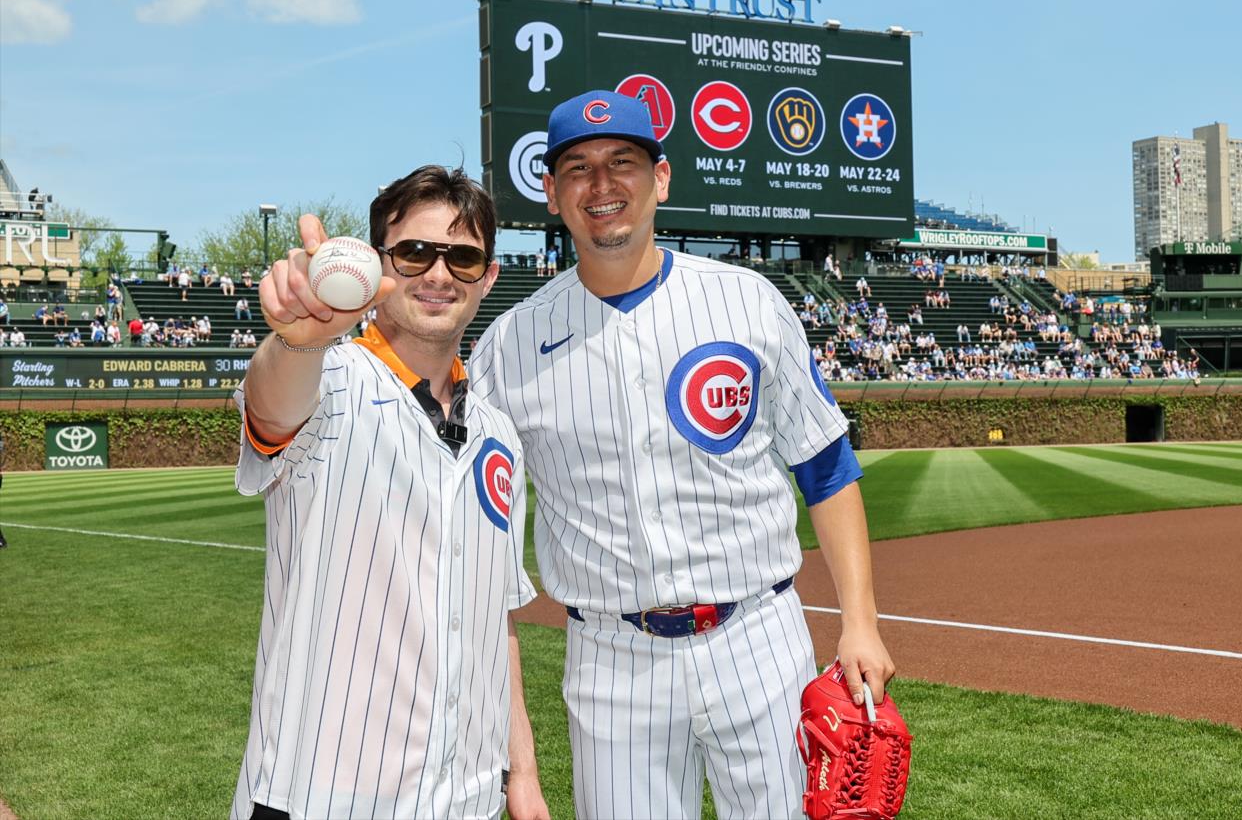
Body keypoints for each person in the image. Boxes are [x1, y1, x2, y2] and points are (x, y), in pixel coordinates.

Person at [469, 91, 894, 820]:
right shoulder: (507, 346)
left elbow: (825, 464)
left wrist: (860, 619)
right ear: (551, 192)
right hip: (610, 653)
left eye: (623, 162)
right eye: (577, 167)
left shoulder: (748, 301)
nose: (602, 185)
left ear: (661, 179)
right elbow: (479, 539)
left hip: (757, 635)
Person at [230, 165, 548, 820]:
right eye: (414, 253)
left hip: (466, 800)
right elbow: (273, 402)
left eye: (462, 258)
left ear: (487, 278)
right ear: (379, 266)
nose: (438, 274)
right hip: (320, 797)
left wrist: (524, 773)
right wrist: (297, 341)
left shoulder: (500, 436)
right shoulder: (332, 378)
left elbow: (497, 622)